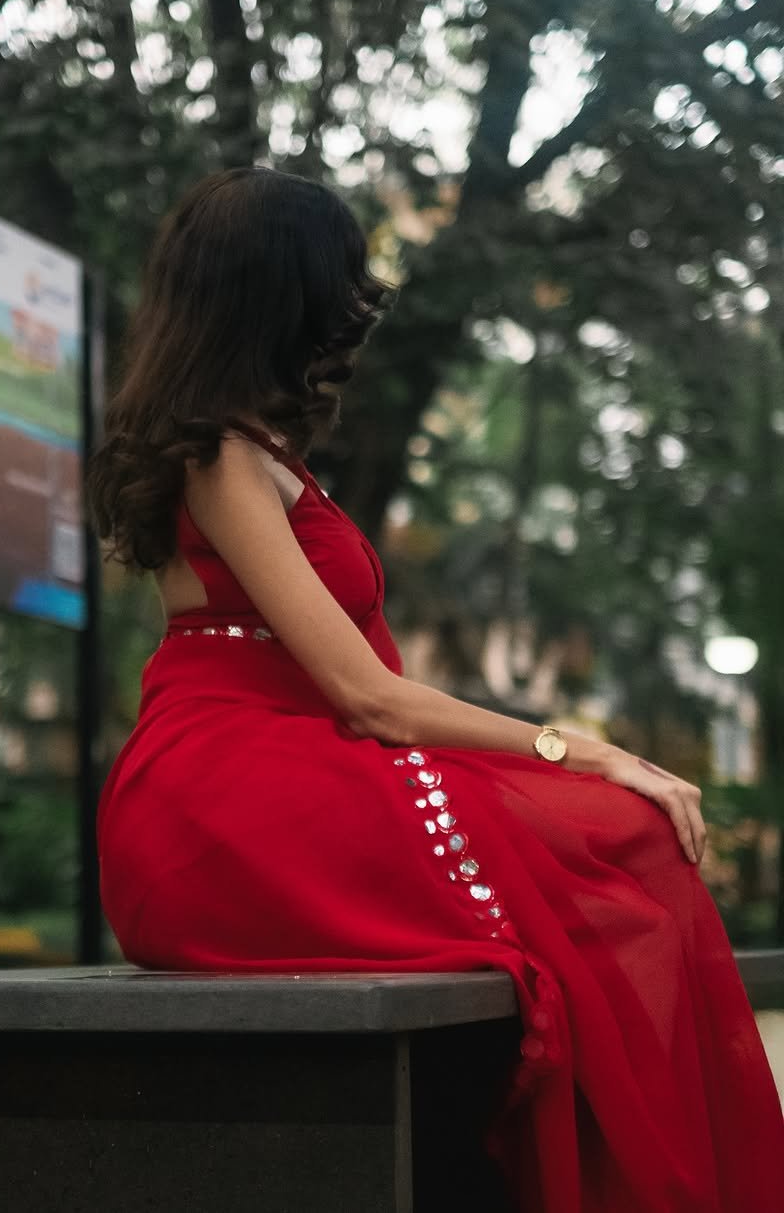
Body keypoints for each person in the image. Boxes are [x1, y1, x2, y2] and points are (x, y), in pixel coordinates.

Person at [88, 167, 784, 1213]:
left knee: (623, 843)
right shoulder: (219, 456)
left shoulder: (256, 449)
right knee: (621, 833)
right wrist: (582, 746)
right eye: (335, 289)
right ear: (284, 296)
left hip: (286, 766)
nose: (346, 320)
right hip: (220, 798)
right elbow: (366, 695)